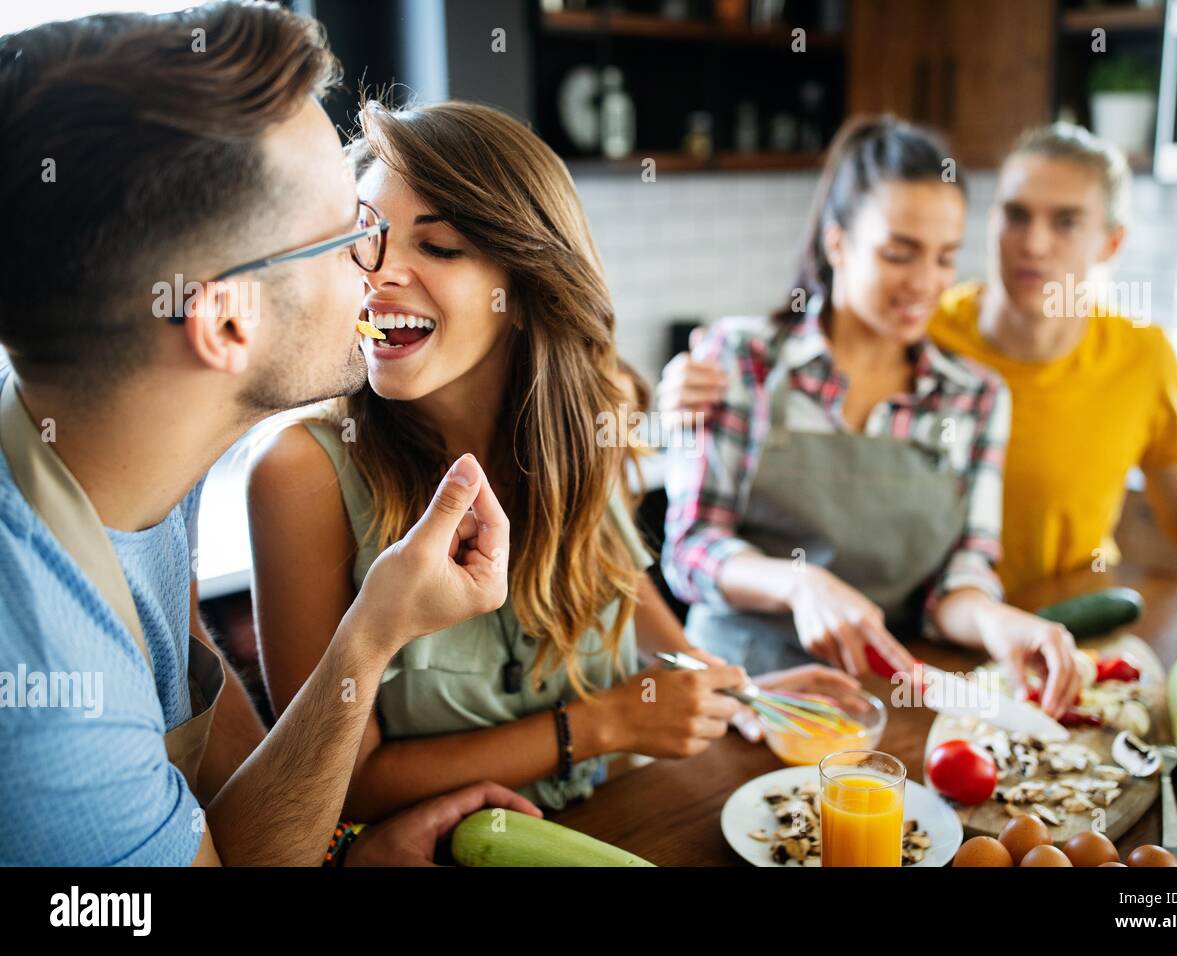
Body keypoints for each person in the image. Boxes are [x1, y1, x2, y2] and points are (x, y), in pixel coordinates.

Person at [0, 2, 536, 867]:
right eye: (346, 238)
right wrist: (371, 634)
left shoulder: (121, 441)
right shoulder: (47, 709)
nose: (376, 268)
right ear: (224, 325)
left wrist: (338, 850)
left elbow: (208, 766)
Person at [248, 101, 868, 818]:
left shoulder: (584, 421)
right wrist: (603, 725)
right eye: (367, 240)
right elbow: (338, 787)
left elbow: (614, 586)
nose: (377, 277)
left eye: (439, 247)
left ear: (522, 287)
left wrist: (740, 693)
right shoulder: (301, 473)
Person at [660, 122, 1177, 597]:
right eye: (1015, 215)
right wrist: (673, 401)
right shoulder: (920, 327)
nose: (1033, 244)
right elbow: (793, 353)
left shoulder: (1132, 358)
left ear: (1112, 242)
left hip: (1049, 615)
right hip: (914, 637)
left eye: (1066, 222)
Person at [660, 117, 1082, 716]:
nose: (925, 283)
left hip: (882, 704)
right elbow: (690, 547)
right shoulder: (740, 360)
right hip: (733, 698)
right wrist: (799, 583)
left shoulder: (976, 397)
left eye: (944, 258)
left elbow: (959, 578)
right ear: (837, 244)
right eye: (899, 254)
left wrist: (996, 622)